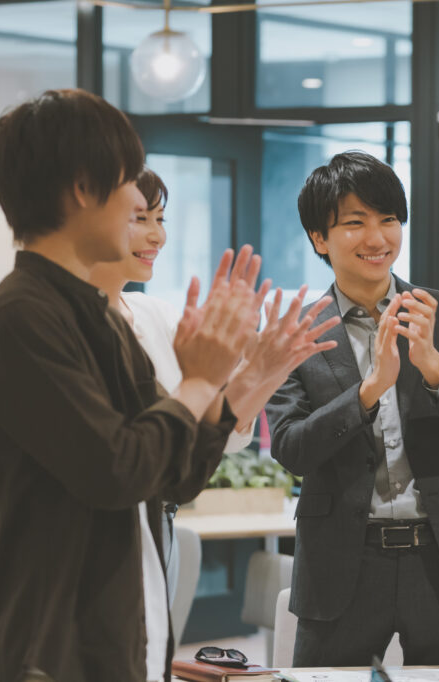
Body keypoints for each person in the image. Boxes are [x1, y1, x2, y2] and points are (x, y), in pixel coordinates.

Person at [0, 89, 265, 682]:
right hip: (55, 650)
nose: (137, 204)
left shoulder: (99, 315)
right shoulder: (21, 317)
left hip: (127, 630)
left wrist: (231, 380)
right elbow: (116, 470)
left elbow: (172, 474)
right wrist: (199, 379)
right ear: (82, 188)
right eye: (129, 183)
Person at [265, 151, 439, 666]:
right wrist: (368, 390)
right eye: (355, 223)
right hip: (342, 563)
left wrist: (435, 367)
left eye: (389, 220)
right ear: (319, 238)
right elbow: (291, 449)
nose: (377, 238)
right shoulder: (296, 328)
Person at [88, 166, 339, 607]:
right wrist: (227, 376)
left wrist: (266, 371)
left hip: (158, 525)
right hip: (99, 537)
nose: (157, 237)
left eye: (160, 220)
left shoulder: (155, 314)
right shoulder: (67, 326)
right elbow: (133, 455)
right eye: (140, 218)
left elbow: (218, 438)